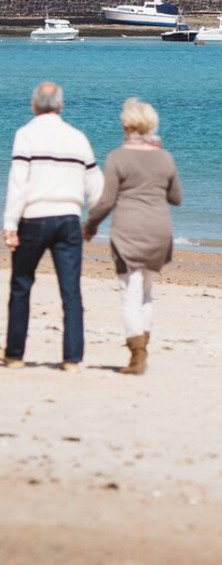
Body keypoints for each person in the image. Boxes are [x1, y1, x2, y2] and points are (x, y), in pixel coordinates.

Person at [4, 82, 102, 370]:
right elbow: (97, 186)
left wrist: (10, 224)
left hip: (33, 218)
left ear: (33, 105)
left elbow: (18, 184)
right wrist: (92, 222)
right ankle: (72, 358)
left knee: (21, 285)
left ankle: (15, 355)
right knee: (71, 290)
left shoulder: (25, 134)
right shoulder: (77, 137)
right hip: (69, 219)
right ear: (60, 106)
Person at [84, 98, 182, 376]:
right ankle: (143, 347)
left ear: (126, 126)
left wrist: (90, 226)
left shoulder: (118, 157)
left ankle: (137, 356)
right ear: (151, 125)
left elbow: (106, 202)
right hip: (159, 231)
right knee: (147, 291)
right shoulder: (165, 157)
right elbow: (176, 197)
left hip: (128, 231)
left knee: (130, 292)